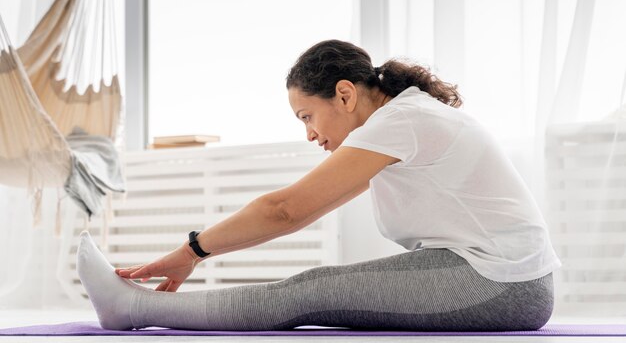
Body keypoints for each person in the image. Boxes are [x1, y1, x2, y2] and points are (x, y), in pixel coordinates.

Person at [77, 39, 561, 331]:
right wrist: (198, 256)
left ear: (345, 95)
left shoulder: (402, 120)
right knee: (314, 286)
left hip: (500, 283)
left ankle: (132, 307)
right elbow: (303, 212)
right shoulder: (400, 121)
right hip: (504, 279)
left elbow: (284, 209)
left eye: (307, 116)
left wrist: (189, 252)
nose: (309, 133)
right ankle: (136, 306)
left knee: (308, 291)